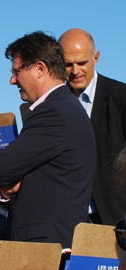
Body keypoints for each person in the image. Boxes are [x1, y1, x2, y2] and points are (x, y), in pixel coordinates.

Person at [0, 31, 96, 270]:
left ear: (39, 69)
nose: (12, 80)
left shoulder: (54, 113)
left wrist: (6, 178)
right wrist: (10, 186)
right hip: (49, 253)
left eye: (16, 71)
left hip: (46, 256)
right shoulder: (62, 109)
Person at [59, 28, 126, 226]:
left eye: (82, 63)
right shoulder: (52, 105)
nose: (75, 71)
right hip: (69, 221)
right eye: (68, 64)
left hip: (115, 218)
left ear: (95, 58)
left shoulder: (120, 97)